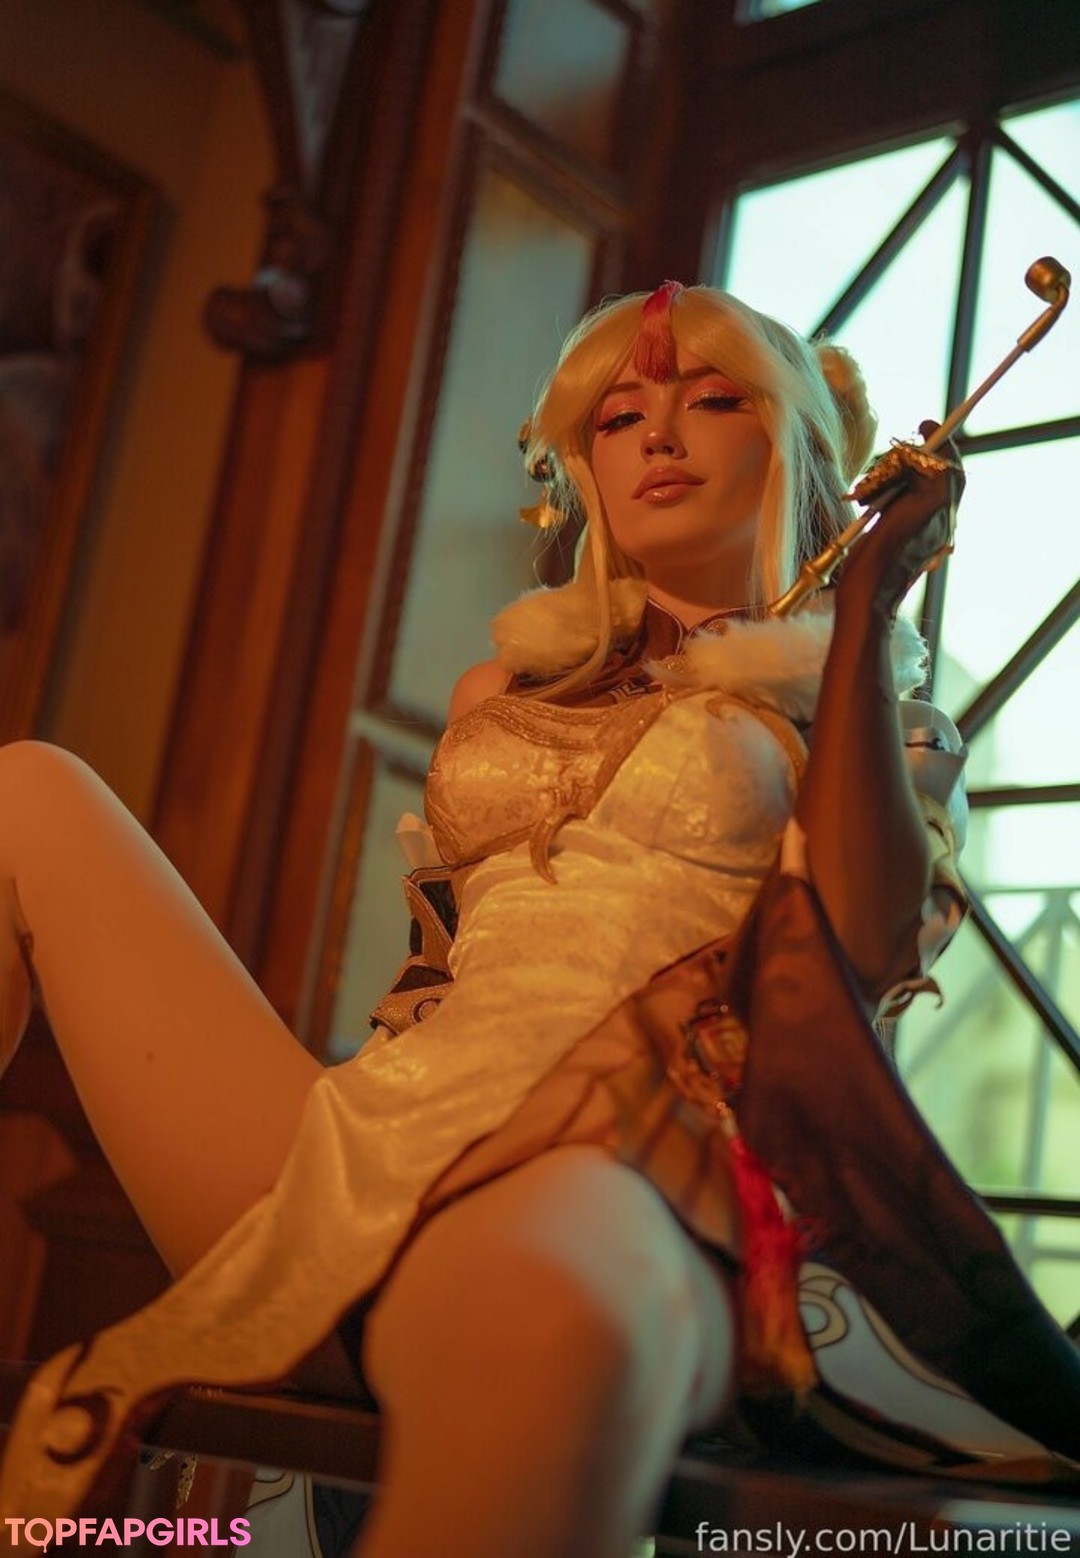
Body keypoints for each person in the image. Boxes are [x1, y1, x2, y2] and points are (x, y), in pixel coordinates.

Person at [0, 282, 1075, 1558]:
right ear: (587, 464)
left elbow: (863, 943)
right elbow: (433, 970)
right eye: (618, 416)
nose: (658, 432)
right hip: (366, 1140)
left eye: (711, 399)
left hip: (628, 1163)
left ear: (795, 447)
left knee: (548, 1324)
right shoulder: (501, 688)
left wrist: (866, 616)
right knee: (28, 792)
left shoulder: (878, 724)